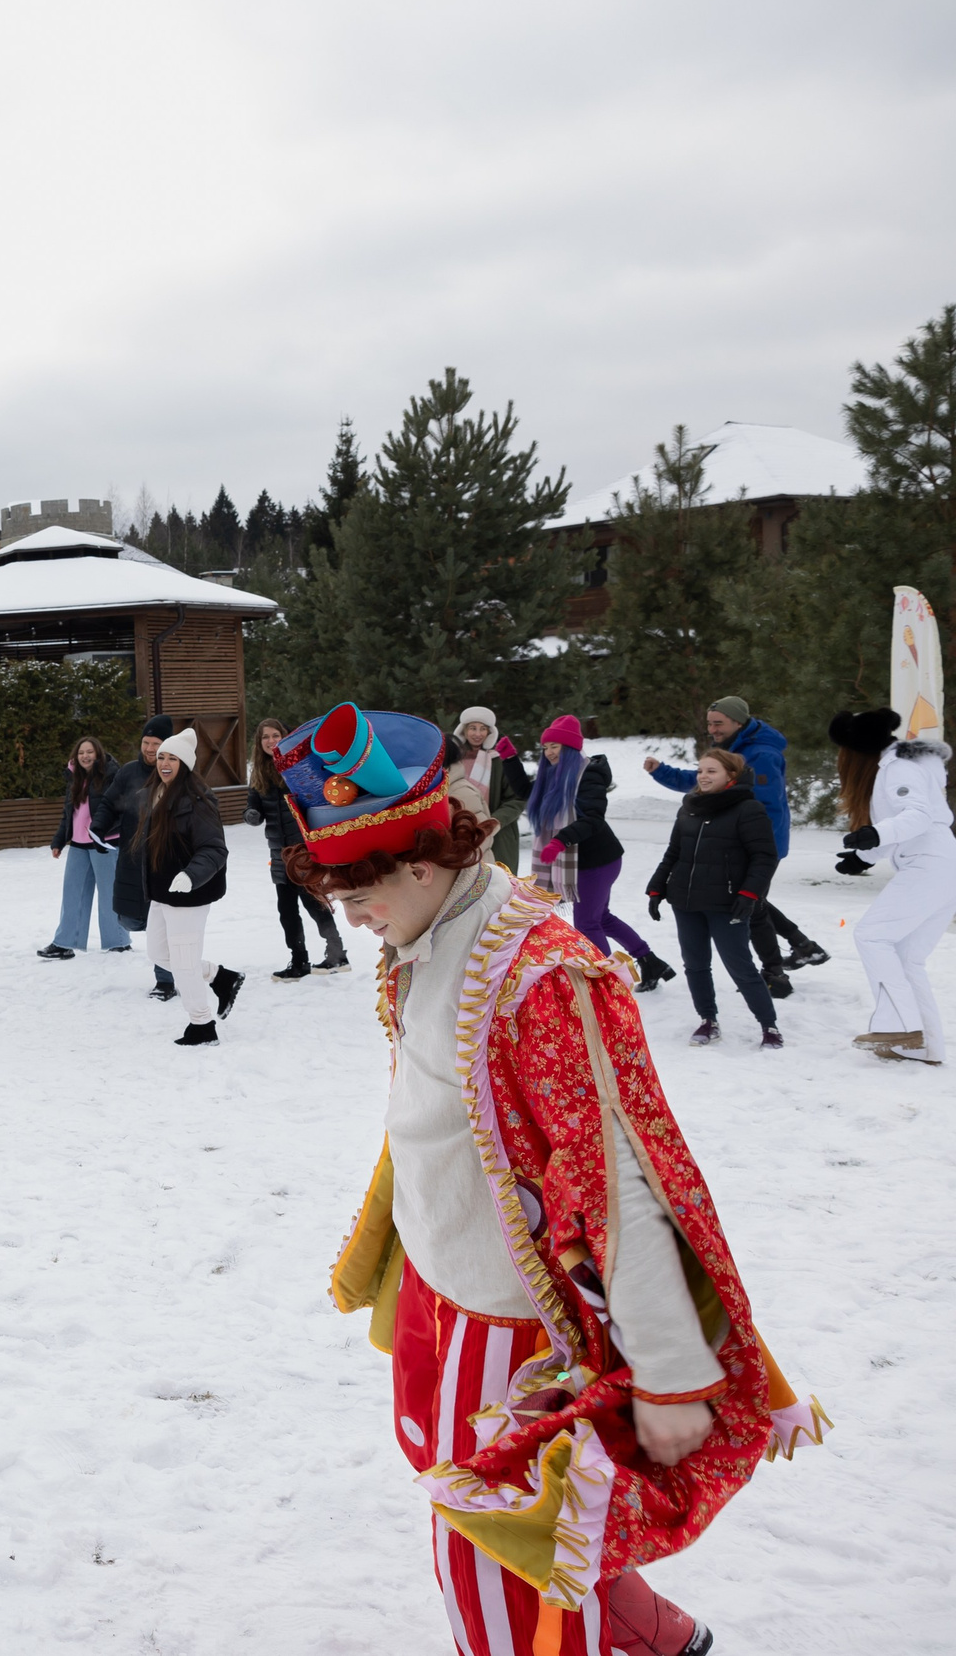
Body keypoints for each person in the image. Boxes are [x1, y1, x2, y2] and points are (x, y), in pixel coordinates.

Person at [282, 700, 824, 1656]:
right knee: (532, 1526)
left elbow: (621, 1175)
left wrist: (662, 1372)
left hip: (518, 1324)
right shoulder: (431, 924)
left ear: (420, 863)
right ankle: (655, 1636)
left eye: (357, 896)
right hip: (442, 1289)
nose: (351, 918)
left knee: (491, 1559)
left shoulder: (538, 975)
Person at [645, 694, 826, 996]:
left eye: (719, 723)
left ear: (738, 722)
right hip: (736, 842)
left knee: (750, 906)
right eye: (709, 724)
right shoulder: (733, 749)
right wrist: (660, 771)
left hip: (757, 844)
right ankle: (803, 947)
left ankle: (776, 975)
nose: (712, 730)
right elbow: (702, 778)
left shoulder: (763, 754)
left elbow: (761, 807)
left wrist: (745, 846)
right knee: (753, 902)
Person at [832, 708, 956, 1064]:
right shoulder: (901, 765)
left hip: (929, 863)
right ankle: (924, 1048)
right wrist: (865, 856)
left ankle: (898, 1027)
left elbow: (916, 817)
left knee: (872, 935)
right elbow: (907, 824)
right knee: (907, 958)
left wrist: (875, 834)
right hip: (939, 862)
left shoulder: (898, 768)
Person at [642, 747, 782, 1049]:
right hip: (686, 901)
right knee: (695, 964)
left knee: (740, 966)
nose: (703, 777)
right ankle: (708, 1020)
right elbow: (674, 852)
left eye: (711, 771)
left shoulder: (748, 809)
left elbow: (764, 856)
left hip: (727, 902)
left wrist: (749, 893)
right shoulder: (690, 807)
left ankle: (769, 1026)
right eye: (701, 770)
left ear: (730, 775)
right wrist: (657, 887)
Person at [525, 715, 675, 993]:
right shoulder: (555, 776)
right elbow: (527, 793)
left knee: (587, 923)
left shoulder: (587, 774)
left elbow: (592, 818)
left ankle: (605, 985)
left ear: (571, 747)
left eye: (555, 746)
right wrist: (510, 760)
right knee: (600, 918)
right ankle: (649, 960)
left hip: (596, 860)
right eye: (545, 747)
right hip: (584, 860)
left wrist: (560, 841)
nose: (549, 752)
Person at [144, 729, 244, 1044]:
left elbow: (214, 849)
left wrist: (190, 876)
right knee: (159, 952)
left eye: (172, 758)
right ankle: (220, 976)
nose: (165, 763)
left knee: (184, 965)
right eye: (162, 756)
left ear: (185, 764)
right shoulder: (158, 792)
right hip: (163, 893)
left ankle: (202, 1025)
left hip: (189, 895)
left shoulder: (198, 800)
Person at [242, 719, 349, 980]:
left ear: (285, 736)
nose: (270, 741)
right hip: (278, 852)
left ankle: (336, 954)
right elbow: (250, 805)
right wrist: (252, 814)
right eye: (265, 737)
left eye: (275, 735)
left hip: (302, 850)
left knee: (314, 902)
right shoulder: (258, 773)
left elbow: (316, 797)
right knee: (286, 910)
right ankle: (299, 961)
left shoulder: (296, 767)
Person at [37, 736, 131, 962]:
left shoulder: (111, 776)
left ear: (97, 754)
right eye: (81, 753)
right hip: (78, 845)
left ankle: (118, 942)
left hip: (104, 843)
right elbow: (69, 814)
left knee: (109, 894)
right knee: (73, 894)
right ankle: (65, 943)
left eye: (89, 752)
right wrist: (59, 840)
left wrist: (104, 831)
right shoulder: (75, 779)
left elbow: (121, 809)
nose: (85, 756)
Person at [108, 714, 179, 1000]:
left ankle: (166, 981)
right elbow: (110, 803)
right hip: (134, 856)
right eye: (146, 742)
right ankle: (174, 957)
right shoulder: (127, 772)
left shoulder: (176, 772)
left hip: (166, 860)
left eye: (156, 743)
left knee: (163, 926)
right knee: (129, 920)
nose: (150, 749)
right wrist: (101, 827)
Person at [443, 706, 528, 872]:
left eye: (483, 729)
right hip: (461, 833)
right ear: (464, 730)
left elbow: (518, 797)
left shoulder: (502, 760)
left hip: (498, 835)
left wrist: (495, 821)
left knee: (500, 885)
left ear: (490, 732)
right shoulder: (452, 759)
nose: (477, 734)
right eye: (473, 728)